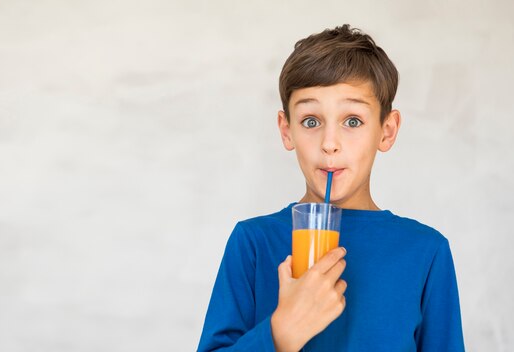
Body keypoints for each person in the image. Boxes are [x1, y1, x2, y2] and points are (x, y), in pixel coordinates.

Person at [197, 24, 465, 351]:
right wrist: (283, 331)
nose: (329, 144)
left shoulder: (426, 252)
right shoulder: (252, 242)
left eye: (352, 121)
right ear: (287, 130)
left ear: (387, 130)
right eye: (311, 121)